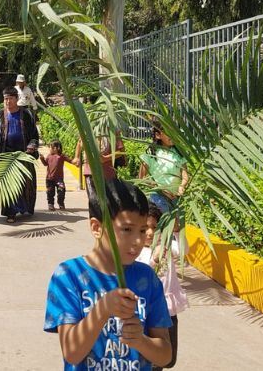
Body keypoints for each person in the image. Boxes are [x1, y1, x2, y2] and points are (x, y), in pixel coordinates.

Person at [44, 179, 172, 370]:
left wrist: (141, 341)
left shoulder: (147, 278)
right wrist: (102, 310)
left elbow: (165, 356)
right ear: (96, 228)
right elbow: (72, 353)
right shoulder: (69, 275)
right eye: (127, 230)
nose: (138, 240)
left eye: (142, 230)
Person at [137, 203, 188, 371]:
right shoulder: (135, 252)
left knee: (168, 359)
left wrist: (177, 231)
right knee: (151, 356)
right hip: (148, 313)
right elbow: (140, 277)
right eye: (145, 228)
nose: (151, 233)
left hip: (168, 310)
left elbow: (183, 249)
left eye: (155, 227)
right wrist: (154, 259)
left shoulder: (165, 246)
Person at [0, 87, 39, 223]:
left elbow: (34, 136)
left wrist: (32, 145)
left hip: (23, 155)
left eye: (10, 98)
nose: (7, 101)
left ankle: (23, 208)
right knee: (9, 185)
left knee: (24, 184)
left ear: (17, 99)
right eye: (5, 99)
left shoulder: (26, 114)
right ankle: (10, 213)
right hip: (6, 155)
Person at [138, 118, 188, 217]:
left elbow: (185, 175)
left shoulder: (178, 153)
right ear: (158, 135)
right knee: (163, 226)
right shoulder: (150, 153)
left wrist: (182, 186)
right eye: (169, 132)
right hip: (158, 198)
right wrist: (162, 190)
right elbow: (142, 178)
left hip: (176, 198)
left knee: (178, 228)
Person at [39, 139, 75, 211]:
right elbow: (46, 164)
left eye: (50, 147)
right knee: (50, 192)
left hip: (59, 179)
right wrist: (42, 159)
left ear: (55, 148)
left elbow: (70, 161)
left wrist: (75, 162)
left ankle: (61, 203)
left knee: (61, 191)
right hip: (49, 179)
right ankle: (51, 204)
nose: (49, 149)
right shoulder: (49, 156)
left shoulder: (61, 156)